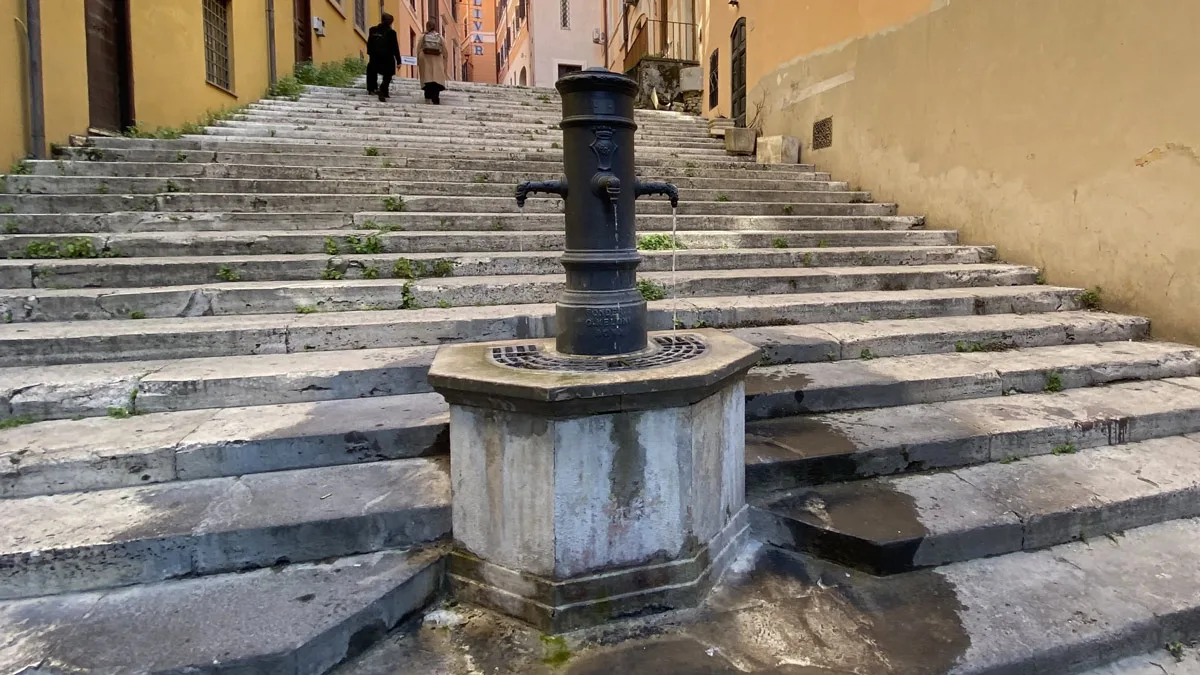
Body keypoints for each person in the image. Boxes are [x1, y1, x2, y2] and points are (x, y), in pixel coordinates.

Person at [366, 13, 402, 102]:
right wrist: (398, 60)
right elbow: (395, 47)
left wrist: (370, 54)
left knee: (372, 72)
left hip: (375, 56)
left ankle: (371, 89)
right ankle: (384, 89)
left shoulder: (373, 30)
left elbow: (369, 43)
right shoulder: (392, 33)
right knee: (388, 74)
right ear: (391, 22)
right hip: (387, 57)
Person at [417, 19, 447, 104]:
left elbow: (418, 48)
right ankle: (436, 97)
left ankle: (427, 96)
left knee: (427, 77)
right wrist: (445, 61)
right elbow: (445, 50)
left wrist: (418, 60)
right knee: (436, 78)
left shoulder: (422, 36)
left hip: (425, 58)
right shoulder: (440, 37)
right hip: (437, 59)